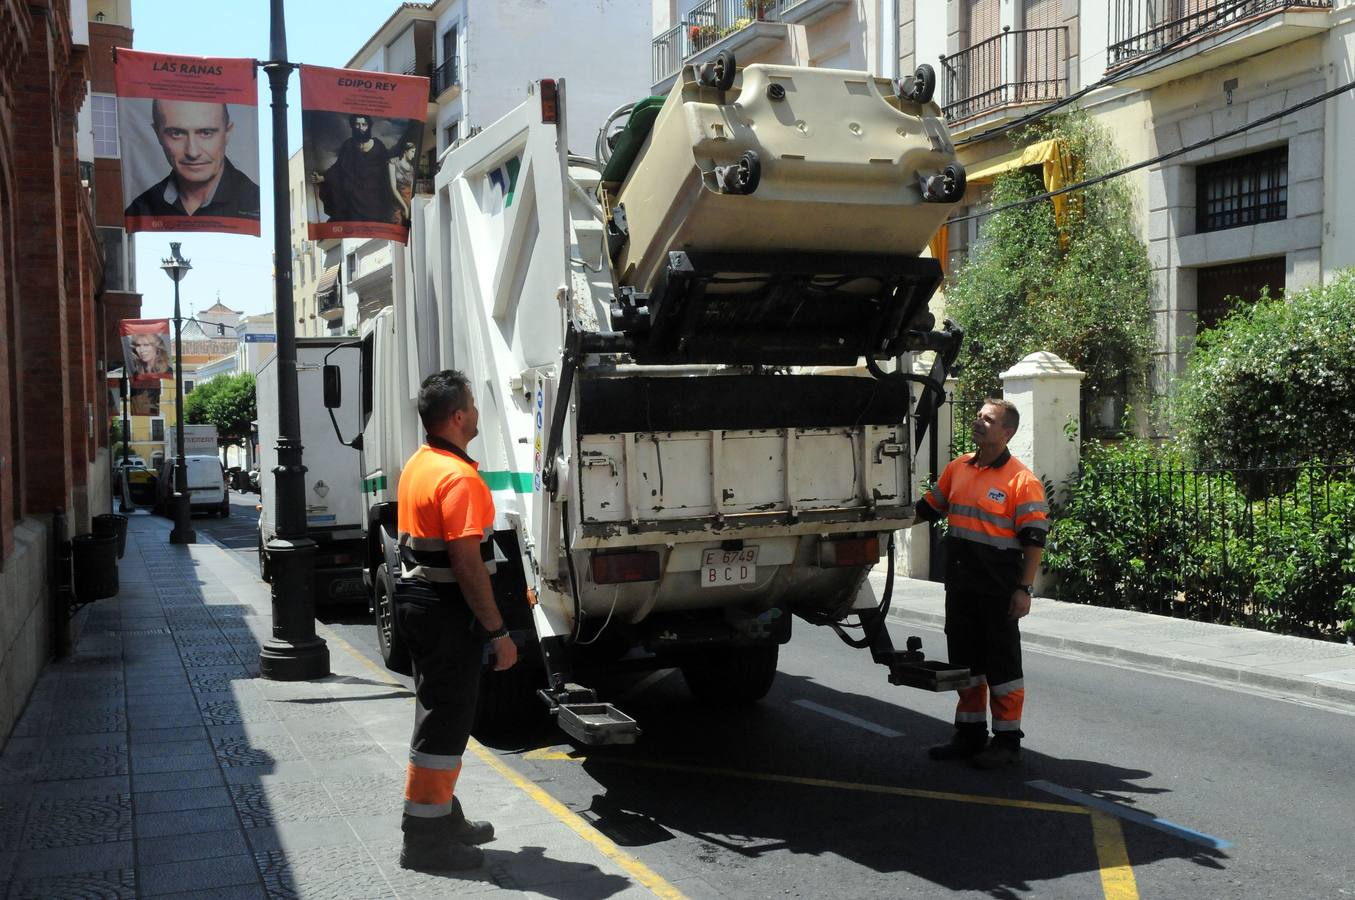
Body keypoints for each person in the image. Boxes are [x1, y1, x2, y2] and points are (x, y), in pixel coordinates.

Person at [393, 370, 518, 872]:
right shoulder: (459, 478)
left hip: (419, 602)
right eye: (473, 404)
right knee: (444, 724)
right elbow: (467, 566)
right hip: (445, 612)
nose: (477, 413)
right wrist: (499, 633)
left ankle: (443, 816)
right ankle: (424, 839)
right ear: (460, 416)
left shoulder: (421, 463)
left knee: (439, 716)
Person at [915, 398, 1048, 768]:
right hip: (960, 587)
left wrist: (1024, 590)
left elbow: (1034, 541)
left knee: (1002, 667)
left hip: (998, 591)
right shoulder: (958, 468)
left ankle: (1007, 742)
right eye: (978, 417)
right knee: (966, 665)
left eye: (988, 420)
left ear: (1007, 433)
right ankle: (969, 734)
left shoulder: (1022, 481)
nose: (979, 423)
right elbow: (927, 509)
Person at [125, 100, 260, 220]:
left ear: (227, 133)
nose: (192, 152)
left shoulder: (254, 204)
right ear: (157, 134)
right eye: (176, 133)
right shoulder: (140, 208)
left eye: (206, 133)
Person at [311, 114, 394, 224]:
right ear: (352, 126)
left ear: (369, 126)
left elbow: (387, 169)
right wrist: (322, 178)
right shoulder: (349, 145)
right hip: (354, 199)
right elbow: (339, 167)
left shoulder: (378, 146)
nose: (360, 128)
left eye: (364, 124)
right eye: (357, 124)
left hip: (375, 199)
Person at [389, 139, 417, 228]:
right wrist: (405, 206)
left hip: (408, 204)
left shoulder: (411, 169)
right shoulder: (393, 163)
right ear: (405, 151)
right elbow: (393, 188)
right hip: (398, 203)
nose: (413, 154)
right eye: (412, 152)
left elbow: (412, 189)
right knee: (397, 227)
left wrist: (409, 207)